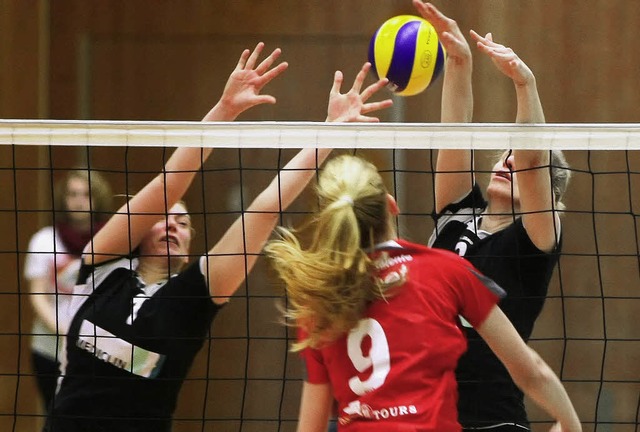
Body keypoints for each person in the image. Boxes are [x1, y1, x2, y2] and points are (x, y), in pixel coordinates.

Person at [43, 42, 393, 432]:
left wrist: (326, 136)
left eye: (185, 223)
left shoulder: (193, 296)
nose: (172, 224)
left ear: (192, 241)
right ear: (142, 231)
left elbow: (263, 210)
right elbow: (168, 186)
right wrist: (223, 111)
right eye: (165, 219)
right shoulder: (100, 269)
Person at [264, 154, 581, 432]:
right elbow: (530, 369)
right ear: (391, 205)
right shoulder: (445, 270)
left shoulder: (316, 305)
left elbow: (311, 425)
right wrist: (570, 422)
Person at [413, 1, 573, 430]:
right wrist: (459, 61)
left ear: (548, 196)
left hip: (492, 421)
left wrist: (525, 83)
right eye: (505, 156)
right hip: (427, 415)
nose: (508, 163)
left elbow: (533, 156)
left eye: (515, 162)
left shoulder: (535, 240)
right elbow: (454, 129)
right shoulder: (457, 215)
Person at [25, 169, 113, 417]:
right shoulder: (44, 240)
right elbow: (37, 294)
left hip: (96, 347)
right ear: (63, 198)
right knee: (54, 414)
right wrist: (65, 329)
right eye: (73, 193)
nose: (79, 200)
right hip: (49, 346)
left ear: (98, 198)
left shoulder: (111, 240)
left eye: (86, 194)